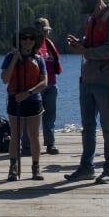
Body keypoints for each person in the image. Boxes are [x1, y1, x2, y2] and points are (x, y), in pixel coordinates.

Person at [63, 0, 109, 184]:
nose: (90, 14)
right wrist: (78, 43)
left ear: (99, 2)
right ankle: (86, 167)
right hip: (87, 80)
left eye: (91, 9)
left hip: (106, 81)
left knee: (108, 126)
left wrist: (85, 50)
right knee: (88, 126)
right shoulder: (92, 20)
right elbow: (90, 44)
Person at [1, 26, 48, 181]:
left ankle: (36, 168)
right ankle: (13, 167)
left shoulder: (39, 59)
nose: (28, 41)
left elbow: (44, 83)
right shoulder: (10, 57)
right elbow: (5, 79)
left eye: (31, 38)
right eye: (24, 38)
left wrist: (28, 93)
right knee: (16, 135)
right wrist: (15, 59)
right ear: (19, 41)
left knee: (34, 135)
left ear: (35, 42)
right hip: (15, 101)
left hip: (33, 101)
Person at [22, 17, 63, 155]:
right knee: (30, 116)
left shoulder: (49, 44)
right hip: (35, 87)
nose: (46, 33)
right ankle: (27, 146)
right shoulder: (29, 46)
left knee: (50, 116)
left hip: (51, 84)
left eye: (47, 30)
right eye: (44, 30)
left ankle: (50, 144)